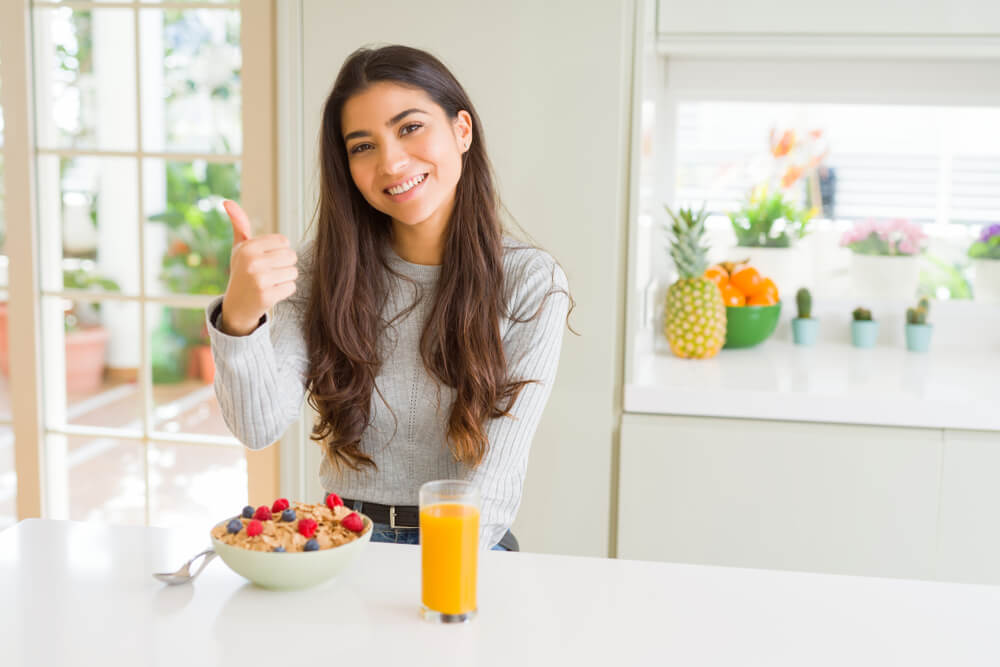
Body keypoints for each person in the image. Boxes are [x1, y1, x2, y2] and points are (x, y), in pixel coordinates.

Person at [206, 44, 571, 552]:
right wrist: (240, 319)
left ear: (461, 130)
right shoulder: (320, 271)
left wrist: (438, 576)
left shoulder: (530, 281)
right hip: (342, 543)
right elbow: (257, 426)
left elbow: (497, 474)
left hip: (468, 548)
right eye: (362, 146)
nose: (392, 162)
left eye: (409, 127)